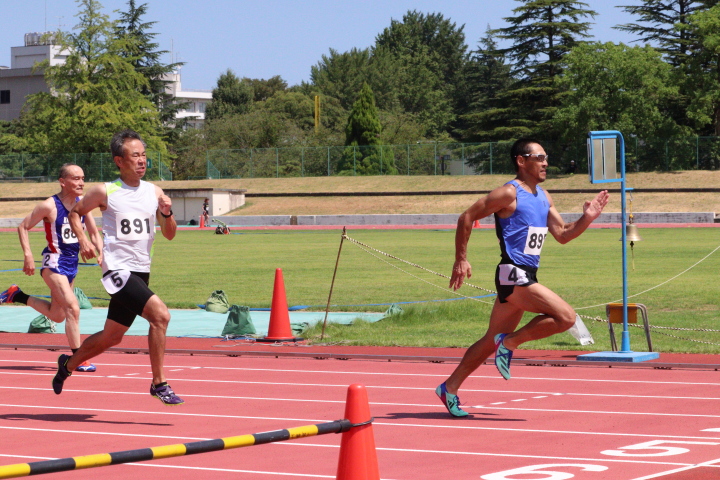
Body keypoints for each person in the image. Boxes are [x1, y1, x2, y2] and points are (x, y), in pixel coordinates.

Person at [436, 138, 609, 417]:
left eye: (546, 157)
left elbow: (563, 234)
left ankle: (449, 387)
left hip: (526, 274)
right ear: (521, 160)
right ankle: (509, 343)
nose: (545, 163)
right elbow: (466, 217)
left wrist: (587, 217)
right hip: (512, 273)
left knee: (489, 340)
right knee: (566, 318)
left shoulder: (544, 196)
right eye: (539, 157)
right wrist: (461, 258)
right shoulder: (508, 193)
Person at [52, 129, 184, 406]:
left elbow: (170, 234)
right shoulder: (105, 191)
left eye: (144, 155)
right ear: (119, 161)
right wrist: (84, 240)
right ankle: (159, 383)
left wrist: (167, 212)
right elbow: (75, 213)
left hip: (141, 270)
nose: (142, 160)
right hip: (117, 271)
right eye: (135, 156)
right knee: (160, 316)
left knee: (112, 337)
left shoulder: (154, 192)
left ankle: (68, 364)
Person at [0, 164, 103, 372]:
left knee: (57, 315)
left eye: (83, 178)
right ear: (62, 182)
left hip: (72, 264)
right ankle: (78, 358)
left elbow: (93, 232)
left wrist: (101, 254)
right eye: (76, 178)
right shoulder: (49, 205)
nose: (81, 182)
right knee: (73, 308)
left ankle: (17, 295)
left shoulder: (83, 205)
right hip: (53, 263)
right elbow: (23, 226)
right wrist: (28, 255)